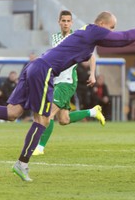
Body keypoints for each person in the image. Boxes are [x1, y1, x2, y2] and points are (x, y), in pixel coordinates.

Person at [0, 11, 135, 182]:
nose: (111, 31)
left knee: (12, 112)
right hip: (44, 71)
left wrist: (92, 73)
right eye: (111, 27)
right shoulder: (94, 30)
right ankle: (21, 164)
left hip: (35, 67)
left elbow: (94, 51)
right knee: (42, 120)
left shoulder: (85, 35)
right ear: (102, 24)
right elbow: (123, 38)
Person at [33, 10, 104, 156]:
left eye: (68, 21)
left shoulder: (76, 38)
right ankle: (93, 111)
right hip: (55, 81)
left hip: (67, 82)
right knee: (64, 119)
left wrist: (92, 74)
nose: (65, 23)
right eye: (63, 21)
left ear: (71, 23)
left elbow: (91, 56)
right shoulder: (54, 38)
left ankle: (40, 147)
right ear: (59, 22)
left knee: (48, 113)